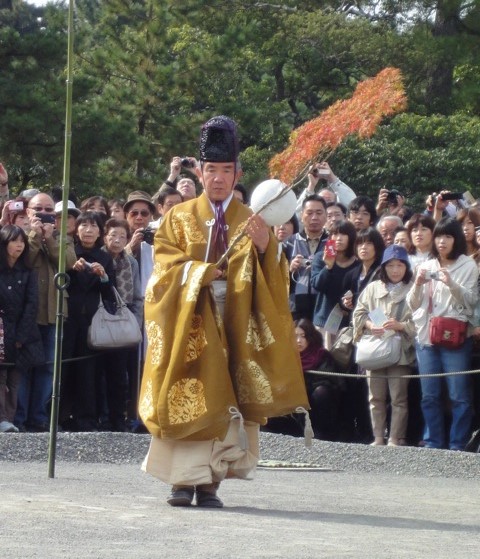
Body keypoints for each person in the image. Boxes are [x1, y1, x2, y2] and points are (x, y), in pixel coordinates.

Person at [139, 115, 308, 508]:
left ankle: (211, 481)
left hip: (235, 317)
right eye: (210, 170)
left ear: (238, 173)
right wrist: (198, 273)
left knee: (228, 393)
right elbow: (163, 267)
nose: (217, 178)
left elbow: (276, 276)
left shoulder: (251, 218)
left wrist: (266, 247)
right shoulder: (177, 218)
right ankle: (181, 481)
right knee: (186, 391)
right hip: (189, 319)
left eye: (225, 170)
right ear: (199, 172)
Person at [407, 218, 479, 450]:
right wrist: (417, 284)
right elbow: (412, 304)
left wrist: (452, 284)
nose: (442, 241)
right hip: (426, 337)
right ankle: (433, 442)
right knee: (429, 395)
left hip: (455, 338)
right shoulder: (427, 265)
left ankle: (458, 444)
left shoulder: (468, 265)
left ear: (456, 238)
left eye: (447, 236)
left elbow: (471, 302)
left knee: (458, 394)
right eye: (438, 236)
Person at [15, 192, 76, 432]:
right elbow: (24, 260)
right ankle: (19, 417)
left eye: (49, 210)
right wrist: (34, 235)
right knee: (23, 367)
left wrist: (50, 238)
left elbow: (68, 263)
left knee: (49, 366)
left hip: (54, 312)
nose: (44, 213)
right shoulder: (18, 234)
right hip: (26, 314)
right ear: (28, 211)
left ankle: (39, 417)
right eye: (38, 208)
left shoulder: (64, 238)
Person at [353, 245, 415, 446]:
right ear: (383, 267)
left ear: (406, 267)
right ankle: (378, 436)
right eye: (390, 265)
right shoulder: (373, 288)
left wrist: (400, 325)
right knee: (375, 396)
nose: (395, 270)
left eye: (399, 265)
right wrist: (370, 325)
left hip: (401, 350)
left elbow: (421, 320)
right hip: (376, 348)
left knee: (398, 397)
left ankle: (395, 438)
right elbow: (359, 313)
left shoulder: (414, 288)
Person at [60, 212, 115, 431]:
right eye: (84, 225)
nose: (88, 230)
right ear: (77, 229)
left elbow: (110, 292)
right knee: (63, 368)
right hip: (67, 317)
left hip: (93, 320)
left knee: (88, 370)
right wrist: (72, 269)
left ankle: (87, 419)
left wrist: (103, 277)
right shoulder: (71, 252)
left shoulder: (104, 257)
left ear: (100, 232)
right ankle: (60, 416)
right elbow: (60, 282)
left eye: (93, 226)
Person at [99, 218, 143, 431]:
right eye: (113, 235)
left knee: (120, 375)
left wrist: (135, 321)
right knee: (99, 373)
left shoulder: (131, 261)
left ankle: (119, 418)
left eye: (122, 236)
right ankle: (102, 416)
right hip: (99, 319)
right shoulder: (98, 257)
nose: (117, 240)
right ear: (105, 237)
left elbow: (136, 295)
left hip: (124, 321)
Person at [0, 226, 43, 433]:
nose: (19, 245)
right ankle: (2, 418)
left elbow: (31, 305)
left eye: (22, 241)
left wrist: (21, 335)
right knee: (1, 377)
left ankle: (10, 417)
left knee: (15, 378)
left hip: (21, 333)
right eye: (14, 240)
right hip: (1, 330)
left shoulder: (28, 273)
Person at [310, 220, 358, 347]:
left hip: (349, 323)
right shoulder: (321, 257)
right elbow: (317, 285)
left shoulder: (358, 263)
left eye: (343, 234)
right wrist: (328, 267)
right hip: (324, 320)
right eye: (335, 234)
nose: (338, 238)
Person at [295, 318, 344, 441]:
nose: (298, 341)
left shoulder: (321, 354)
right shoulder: (288, 356)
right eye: (295, 336)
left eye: (303, 336)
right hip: (297, 407)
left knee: (321, 392)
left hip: (323, 405)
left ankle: (321, 433)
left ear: (310, 337)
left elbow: (330, 381)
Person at [284, 194, 328, 320]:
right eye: (309, 213)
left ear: (326, 216)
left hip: (323, 305)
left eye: (319, 213)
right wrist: (290, 269)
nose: (314, 217)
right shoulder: (289, 243)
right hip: (295, 306)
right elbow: (275, 276)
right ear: (301, 216)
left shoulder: (333, 243)